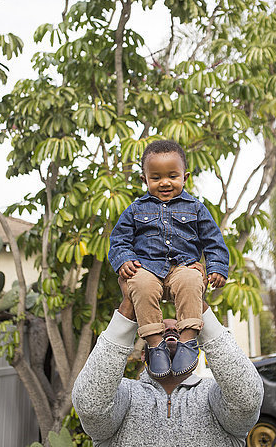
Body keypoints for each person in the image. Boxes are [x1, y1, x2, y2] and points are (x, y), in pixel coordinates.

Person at [72, 277, 264, 447]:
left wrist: (195, 300)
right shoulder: (125, 395)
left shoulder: (213, 396)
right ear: (144, 356)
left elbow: (247, 399)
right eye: (161, 332)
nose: (171, 330)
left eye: (180, 330)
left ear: (196, 351)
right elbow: (90, 407)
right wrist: (130, 304)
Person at [107, 139, 230, 377]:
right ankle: (155, 344)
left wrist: (216, 266)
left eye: (172, 176)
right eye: (156, 178)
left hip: (183, 267)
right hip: (147, 268)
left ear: (185, 177)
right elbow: (119, 239)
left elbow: (213, 240)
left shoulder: (195, 208)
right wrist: (124, 259)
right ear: (144, 179)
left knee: (192, 281)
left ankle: (188, 341)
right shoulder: (135, 210)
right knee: (139, 285)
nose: (165, 182)